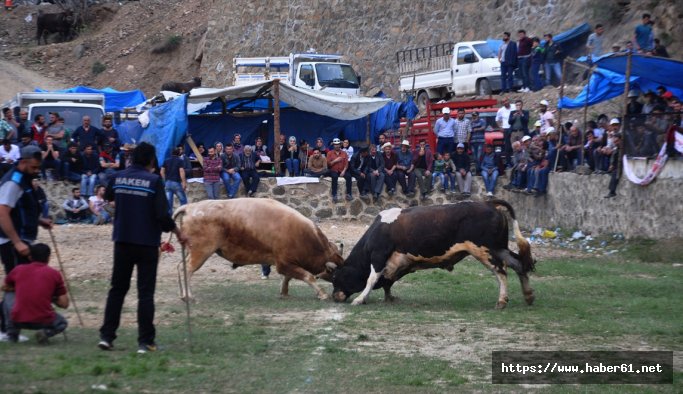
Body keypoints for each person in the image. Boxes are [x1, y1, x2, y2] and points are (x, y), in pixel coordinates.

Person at [98, 142, 187, 354]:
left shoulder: (117, 177)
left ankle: (106, 337)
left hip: (122, 240)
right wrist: (178, 232)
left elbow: (108, 198)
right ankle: (145, 341)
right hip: (146, 243)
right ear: (150, 160)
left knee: (117, 290)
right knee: (145, 293)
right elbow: (161, 216)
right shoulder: (154, 181)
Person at [0, 145, 52, 338]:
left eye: (38, 168)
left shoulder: (25, 179)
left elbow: (19, 208)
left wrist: (40, 221)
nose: (36, 171)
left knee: (20, 284)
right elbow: (3, 212)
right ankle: (6, 329)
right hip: (12, 242)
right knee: (14, 285)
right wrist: (17, 242)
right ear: (22, 162)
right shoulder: (13, 182)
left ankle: (8, 326)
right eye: (33, 168)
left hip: (23, 239)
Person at [2, 243, 68, 344]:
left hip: (18, 319)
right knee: (62, 323)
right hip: (43, 320)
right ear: (49, 257)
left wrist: (19, 289)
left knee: (8, 294)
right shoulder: (54, 274)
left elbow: (4, 287)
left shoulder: (18, 270)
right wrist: (50, 296)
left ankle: (12, 334)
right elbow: (64, 304)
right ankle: (46, 332)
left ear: (30, 257)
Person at [160, 147, 188, 213]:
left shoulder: (166, 160)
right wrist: (184, 182)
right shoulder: (180, 161)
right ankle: (184, 216)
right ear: (179, 153)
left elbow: (161, 171)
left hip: (168, 183)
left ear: (171, 153)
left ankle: (170, 220)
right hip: (176, 183)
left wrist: (165, 180)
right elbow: (181, 171)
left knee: (169, 204)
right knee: (183, 201)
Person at [326, 138, 351, 202]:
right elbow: (328, 164)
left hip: (342, 170)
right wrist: (335, 161)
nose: (337, 146)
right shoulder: (329, 153)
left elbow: (346, 164)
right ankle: (334, 194)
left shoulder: (344, 153)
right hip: (333, 170)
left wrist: (344, 171)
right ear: (333, 145)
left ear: (340, 145)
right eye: (335, 144)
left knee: (348, 176)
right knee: (334, 176)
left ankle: (349, 194)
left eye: (338, 144)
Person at [507, 100, 529, 167]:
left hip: (521, 132)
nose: (518, 106)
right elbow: (509, 122)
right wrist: (514, 116)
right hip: (514, 132)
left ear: (522, 105)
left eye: (519, 105)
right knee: (514, 148)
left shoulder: (525, 112)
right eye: (517, 105)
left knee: (522, 147)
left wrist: (521, 114)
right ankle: (515, 164)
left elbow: (526, 121)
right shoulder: (512, 112)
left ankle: (524, 163)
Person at [605, 133, 622, 198]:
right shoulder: (616, 149)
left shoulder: (625, 148)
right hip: (617, 166)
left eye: (617, 141)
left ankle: (612, 191)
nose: (616, 143)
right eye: (615, 142)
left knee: (615, 173)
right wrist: (612, 165)